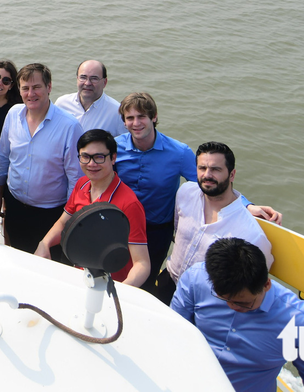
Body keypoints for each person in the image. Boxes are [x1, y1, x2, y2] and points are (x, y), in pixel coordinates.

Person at [114, 93, 280, 295]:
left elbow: (209, 182)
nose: (136, 123)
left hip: (156, 230)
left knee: (145, 284)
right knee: (116, 270)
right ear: (123, 122)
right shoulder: (116, 147)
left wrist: (246, 205)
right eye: (130, 118)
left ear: (154, 117)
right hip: (120, 224)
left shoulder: (179, 152)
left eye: (142, 117)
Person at [172, 238, 304, 392]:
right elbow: (173, 331)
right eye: (224, 299)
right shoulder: (195, 279)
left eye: (243, 303)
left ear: (266, 285)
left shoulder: (300, 322)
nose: (232, 306)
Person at [156, 141, 275, 305]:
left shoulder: (251, 234)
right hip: (168, 280)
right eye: (202, 168)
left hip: (205, 299)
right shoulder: (185, 192)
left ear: (232, 175)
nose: (207, 175)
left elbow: (255, 283)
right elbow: (177, 230)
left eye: (215, 169)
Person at [34, 130, 149, 286]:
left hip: (110, 285)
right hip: (80, 275)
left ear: (113, 158)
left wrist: (122, 293)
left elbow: (142, 264)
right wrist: (44, 243)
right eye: (85, 157)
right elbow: (63, 223)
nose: (91, 164)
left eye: (99, 157)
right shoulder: (82, 184)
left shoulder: (129, 204)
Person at [0, 63, 84, 255]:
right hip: (15, 206)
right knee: (17, 258)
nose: (30, 94)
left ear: (49, 87)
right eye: (25, 88)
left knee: (50, 267)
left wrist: (68, 222)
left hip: (51, 214)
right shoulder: (13, 114)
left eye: (36, 87)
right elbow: (3, 159)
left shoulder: (69, 126)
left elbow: (75, 179)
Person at [54, 60, 126, 136]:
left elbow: (126, 144)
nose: (87, 83)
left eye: (94, 78)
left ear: (104, 82)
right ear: (77, 79)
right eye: (83, 77)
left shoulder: (117, 112)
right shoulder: (62, 104)